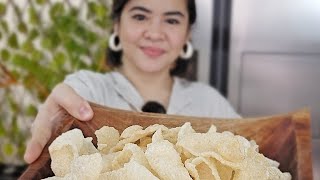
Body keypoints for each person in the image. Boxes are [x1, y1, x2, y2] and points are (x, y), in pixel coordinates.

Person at [24, 0, 240, 164]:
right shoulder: (89, 90)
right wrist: (54, 121)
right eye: (140, 16)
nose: (155, 33)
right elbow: (64, 103)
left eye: (172, 20)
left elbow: (253, 152)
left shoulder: (210, 103)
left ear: (187, 36)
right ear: (117, 26)